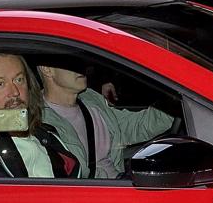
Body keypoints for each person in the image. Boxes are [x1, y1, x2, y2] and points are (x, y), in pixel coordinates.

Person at [36, 56, 173, 179]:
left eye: (80, 57)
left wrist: (173, 100)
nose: (82, 66)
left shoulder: (91, 99)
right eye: (71, 59)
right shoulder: (38, 121)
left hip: (117, 186)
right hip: (91, 197)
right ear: (47, 70)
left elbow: (134, 126)